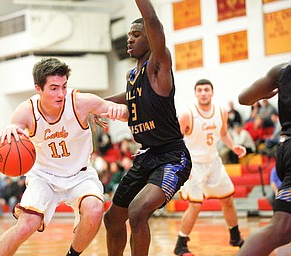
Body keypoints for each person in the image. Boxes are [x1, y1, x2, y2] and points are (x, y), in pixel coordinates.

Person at [0, 57, 129, 256]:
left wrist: (119, 110)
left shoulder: (80, 101)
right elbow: (13, 134)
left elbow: (124, 112)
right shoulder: (25, 111)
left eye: (64, 86)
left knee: (95, 209)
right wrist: (11, 128)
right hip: (44, 176)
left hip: (79, 174)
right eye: (54, 88)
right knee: (26, 225)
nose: (61, 93)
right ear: (38, 88)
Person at [101, 1, 192, 255]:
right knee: (112, 219)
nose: (129, 40)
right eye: (128, 35)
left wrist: (146, 14)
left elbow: (152, 19)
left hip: (172, 156)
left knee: (138, 211)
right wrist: (96, 104)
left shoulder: (158, 64)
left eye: (136, 35)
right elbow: (127, 97)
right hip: (146, 156)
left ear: (150, 39)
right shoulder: (132, 75)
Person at [174, 79, 246, 256]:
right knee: (195, 205)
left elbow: (223, 133)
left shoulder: (221, 111)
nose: (203, 93)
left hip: (214, 162)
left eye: (206, 90)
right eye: (200, 90)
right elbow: (175, 141)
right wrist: (181, 165)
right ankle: (181, 244)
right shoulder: (187, 114)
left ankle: (235, 237)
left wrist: (233, 146)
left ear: (212, 92)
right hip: (194, 165)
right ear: (195, 94)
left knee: (227, 200)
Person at [237, 61, 291, 256]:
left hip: (284, 147)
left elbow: (244, 98)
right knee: (282, 228)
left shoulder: (282, 69)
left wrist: (263, 93)